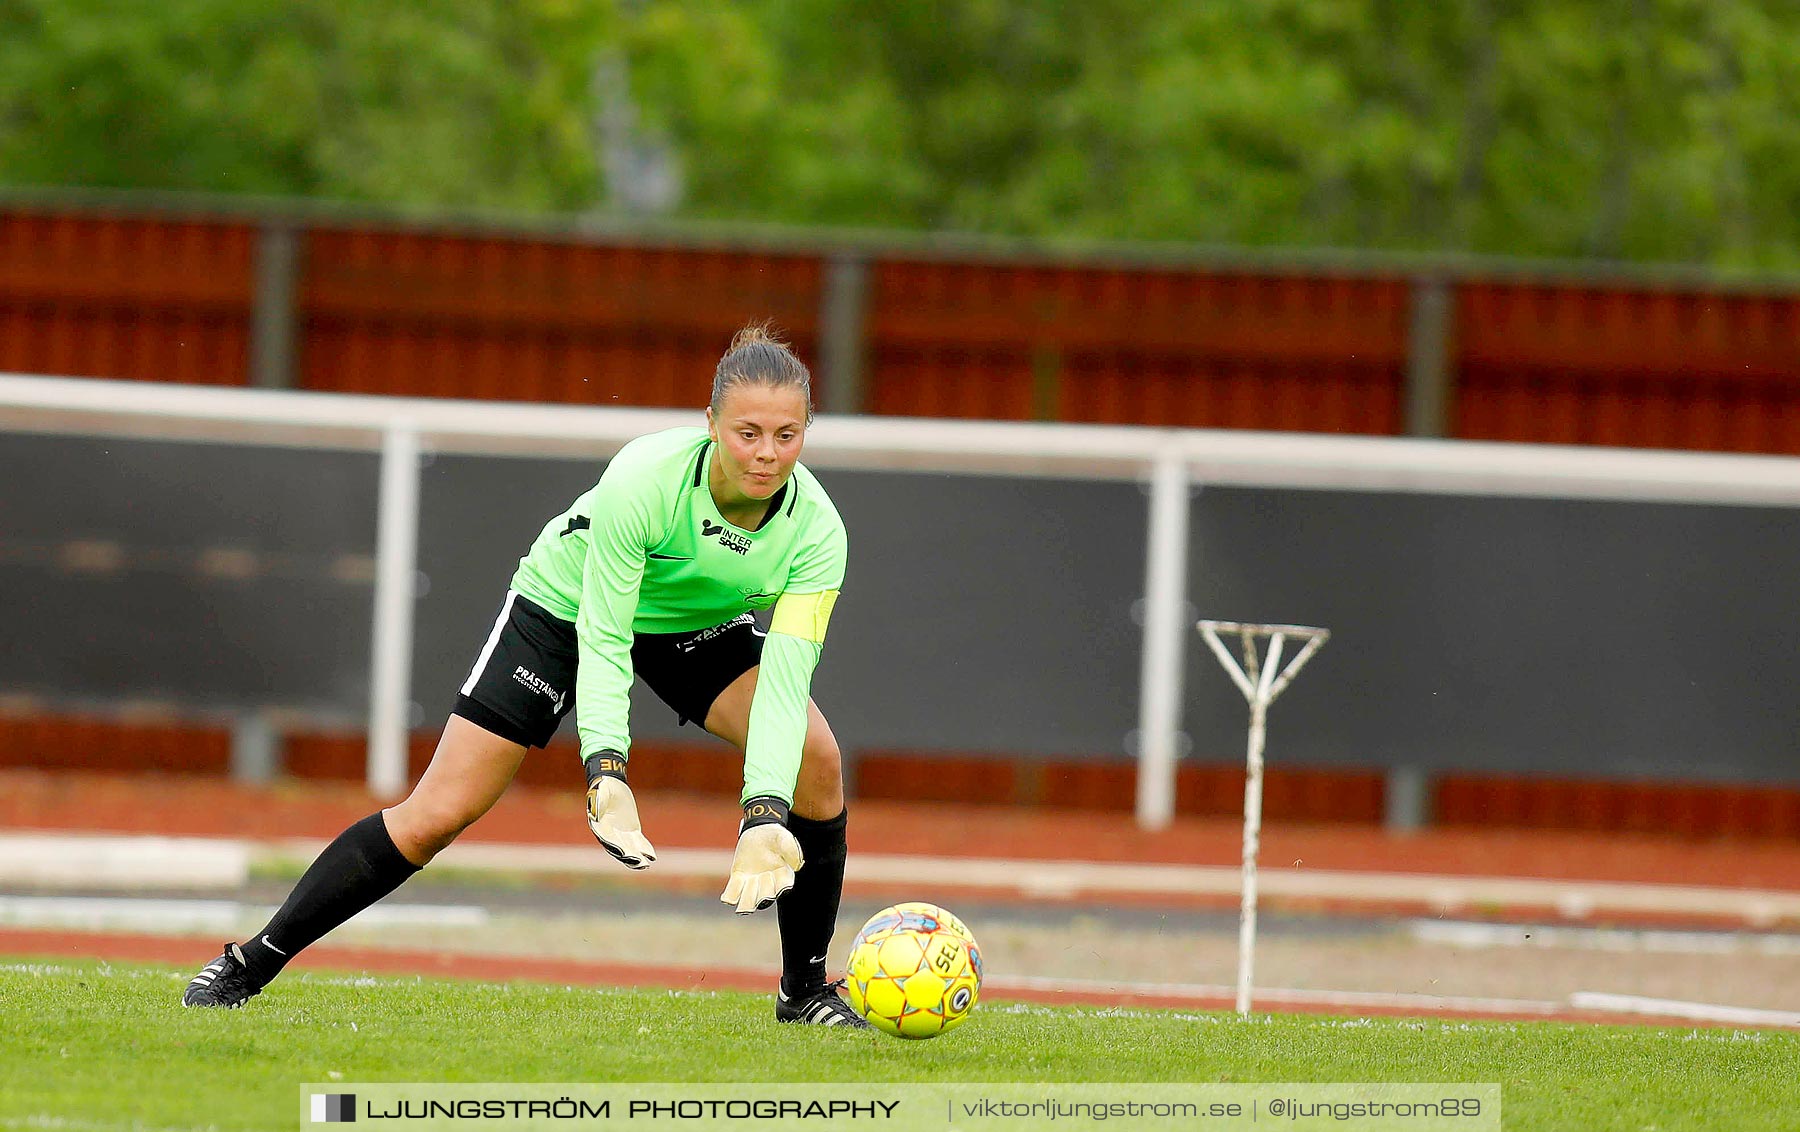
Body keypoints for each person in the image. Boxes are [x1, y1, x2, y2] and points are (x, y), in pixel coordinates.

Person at [184, 324, 868, 1027]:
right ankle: (251, 961)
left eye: (786, 435)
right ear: (711, 424)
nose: (765, 454)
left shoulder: (819, 531)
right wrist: (607, 771)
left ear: (807, 429)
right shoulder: (645, 476)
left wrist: (764, 815)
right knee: (435, 816)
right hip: (570, 604)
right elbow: (603, 634)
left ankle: (804, 992)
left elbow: (786, 681)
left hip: (694, 626)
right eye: (747, 432)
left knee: (816, 760)